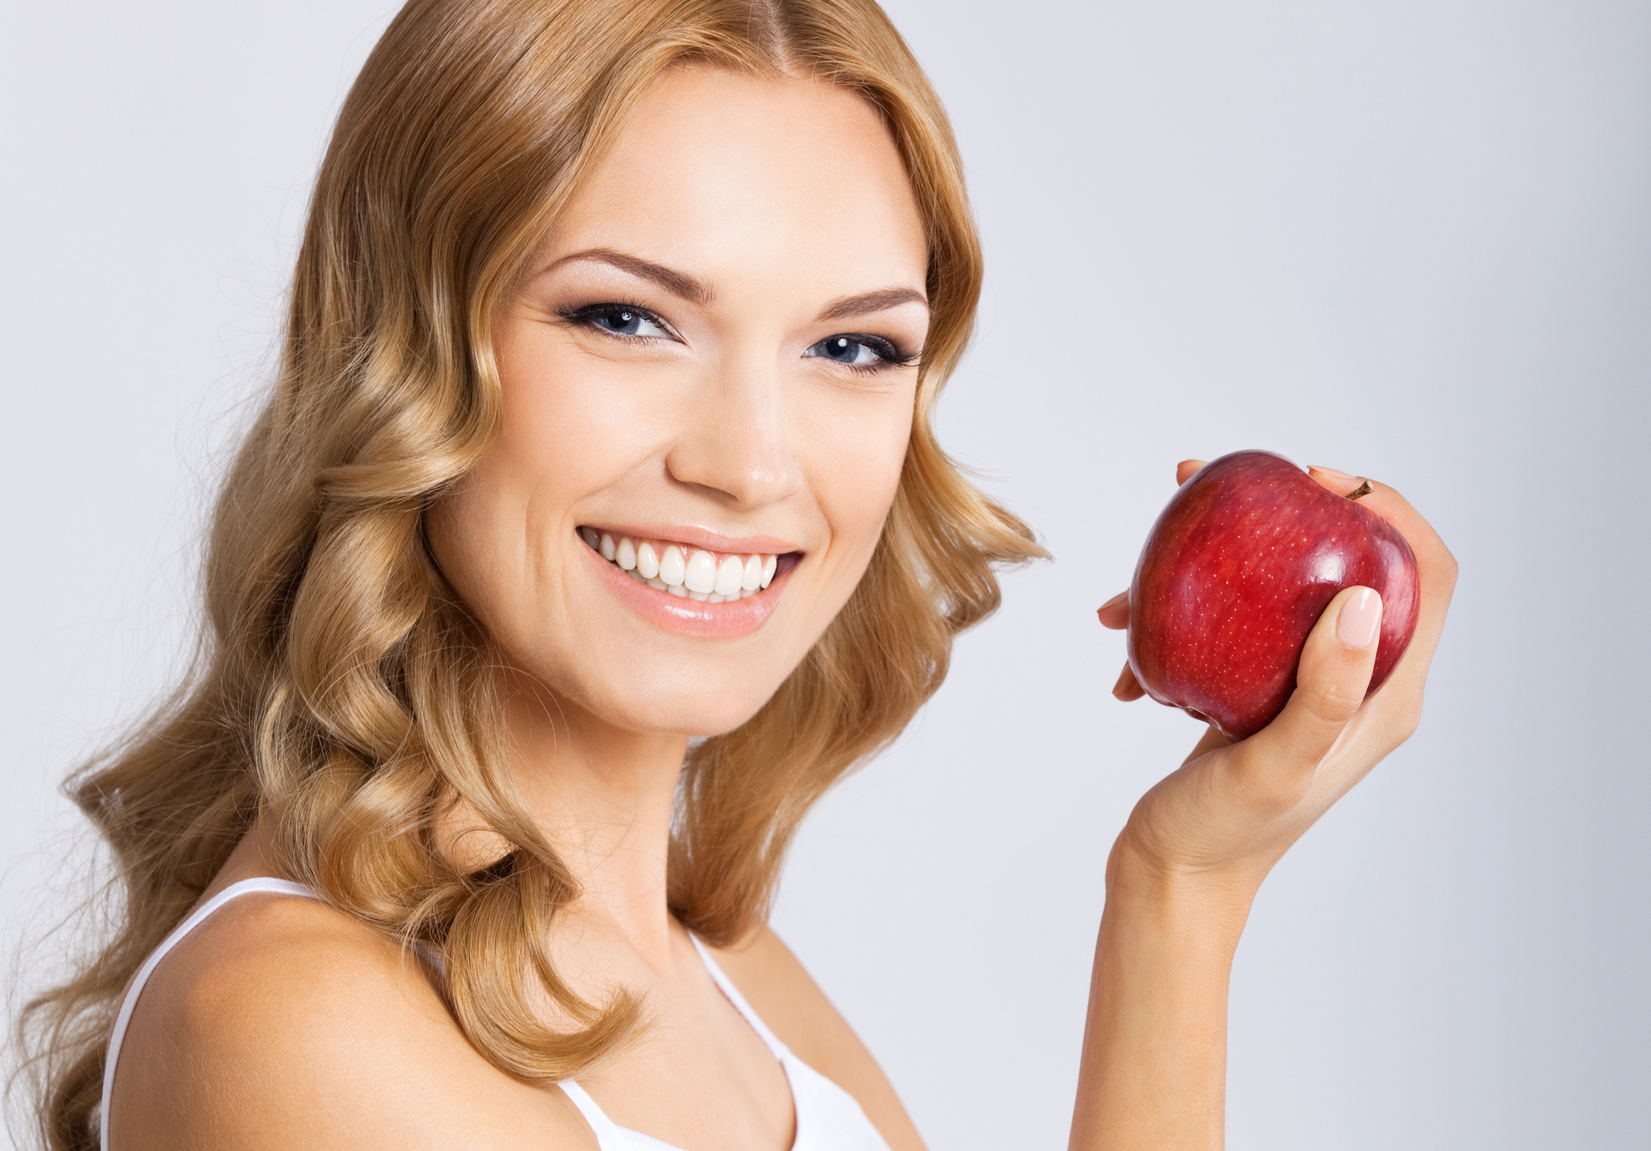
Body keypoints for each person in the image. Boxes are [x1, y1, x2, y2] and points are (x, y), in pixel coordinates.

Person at [19, 1, 1456, 1148]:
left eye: (852, 348)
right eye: (627, 317)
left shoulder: (720, 971)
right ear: (404, 353)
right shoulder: (294, 1028)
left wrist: (1181, 890)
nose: (753, 463)